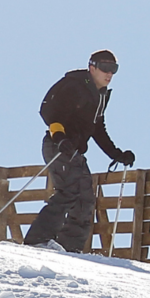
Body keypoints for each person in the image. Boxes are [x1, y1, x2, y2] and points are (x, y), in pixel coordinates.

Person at [23, 50, 135, 253]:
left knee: (85, 200)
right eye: (104, 68)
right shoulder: (74, 84)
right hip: (58, 145)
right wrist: (60, 137)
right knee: (69, 191)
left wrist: (116, 154)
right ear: (92, 67)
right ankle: (38, 239)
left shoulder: (101, 96)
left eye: (114, 69)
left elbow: (97, 129)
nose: (109, 74)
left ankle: (70, 248)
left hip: (75, 151)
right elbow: (49, 110)